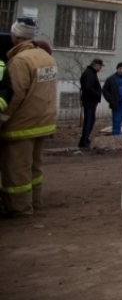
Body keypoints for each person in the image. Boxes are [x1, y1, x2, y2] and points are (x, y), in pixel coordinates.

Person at [0, 18, 58, 217]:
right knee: (34, 167)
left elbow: (13, 95)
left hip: (21, 125)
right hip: (42, 121)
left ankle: (19, 208)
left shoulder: (20, 61)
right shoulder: (45, 56)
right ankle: (35, 201)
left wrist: (1, 120)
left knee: (17, 170)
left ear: (15, 36)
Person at [78, 58, 103, 149]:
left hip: (89, 100)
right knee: (89, 120)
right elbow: (88, 87)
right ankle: (84, 141)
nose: (100, 69)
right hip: (90, 101)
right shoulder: (90, 73)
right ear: (96, 65)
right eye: (100, 66)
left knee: (90, 119)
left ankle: (85, 140)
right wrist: (97, 94)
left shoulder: (90, 72)